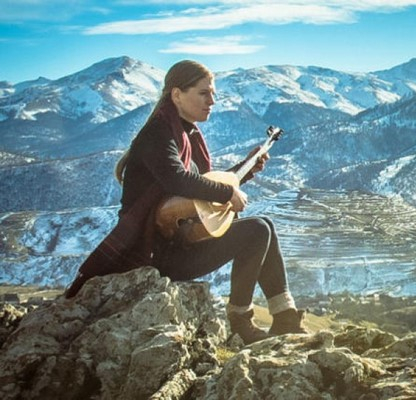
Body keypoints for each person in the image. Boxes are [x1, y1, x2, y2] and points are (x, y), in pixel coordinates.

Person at [65, 60, 306, 344]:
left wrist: (246, 169)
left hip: (178, 244)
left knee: (263, 225)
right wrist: (227, 194)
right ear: (177, 94)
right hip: (154, 256)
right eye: (204, 93)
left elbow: (198, 195)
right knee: (257, 231)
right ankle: (241, 323)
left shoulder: (184, 134)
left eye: (213, 93)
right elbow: (177, 180)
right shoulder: (157, 134)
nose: (213, 101)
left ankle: (285, 318)